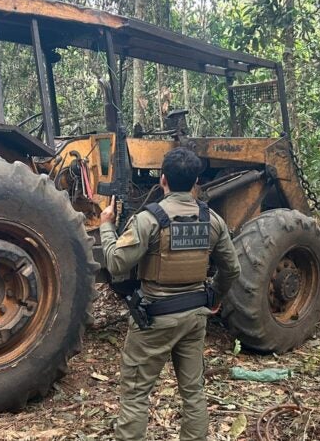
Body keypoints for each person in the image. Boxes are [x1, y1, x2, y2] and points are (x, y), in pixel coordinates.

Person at [100, 147, 241, 441]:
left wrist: (105, 225)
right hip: (194, 318)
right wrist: (213, 296)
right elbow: (232, 269)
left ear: (163, 180)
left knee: (136, 394)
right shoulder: (212, 219)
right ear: (196, 182)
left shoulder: (149, 220)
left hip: (155, 319)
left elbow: (115, 263)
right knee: (193, 392)